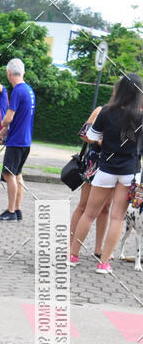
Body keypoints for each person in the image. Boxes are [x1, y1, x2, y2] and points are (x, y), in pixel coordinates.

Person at [70, 73, 143, 273]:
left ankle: (73, 255)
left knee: (89, 213)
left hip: (106, 169)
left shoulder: (106, 111)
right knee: (118, 217)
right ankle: (104, 263)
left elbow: (91, 136)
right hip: (130, 172)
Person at [0, 58, 36, 222]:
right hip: (25, 140)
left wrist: (3, 124)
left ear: (8, 73)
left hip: (16, 141)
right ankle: (18, 210)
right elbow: (19, 118)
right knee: (17, 174)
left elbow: (8, 119)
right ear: (23, 72)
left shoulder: (17, 90)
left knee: (8, 174)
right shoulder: (29, 90)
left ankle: (10, 211)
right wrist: (2, 134)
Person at [69, 106, 108, 260]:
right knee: (84, 205)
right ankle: (71, 245)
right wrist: (99, 141)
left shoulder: (128, 113)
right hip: (95, 163)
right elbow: (83, 133)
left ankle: (99, 248)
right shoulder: (101, 110)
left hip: (112, 165)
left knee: (106, 208)